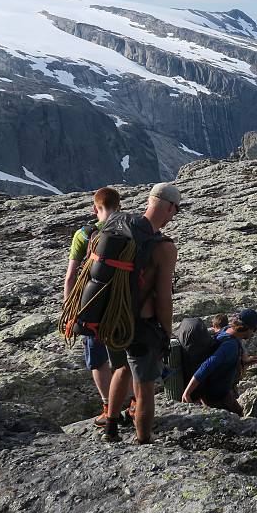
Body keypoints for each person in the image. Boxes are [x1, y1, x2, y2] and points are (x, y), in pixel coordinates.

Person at [102, 182, 181, 444]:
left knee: (121, 369)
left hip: (110, 320)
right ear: (170, 207)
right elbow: (163, 300)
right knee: (145, 385)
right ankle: (143, 441)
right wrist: (166, 334)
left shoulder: (118, 228)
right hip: (140, 325)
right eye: (175, 211)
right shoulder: (164, 248)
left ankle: (110, 427)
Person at [63, 186, 124, 427]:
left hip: (92, 304)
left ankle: (109, 408)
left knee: (97, 360)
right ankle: (130, 403)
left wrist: (70, 313)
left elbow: (70, 277)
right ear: (119, 208)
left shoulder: (83, 235)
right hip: (121, 305)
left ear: (94, 208)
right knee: (123, 358)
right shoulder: (128, 231)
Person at [181, 308, 257, 416]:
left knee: (239, 413)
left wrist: (244, 362)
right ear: (248, 328)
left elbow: (224, 360)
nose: (253, 333)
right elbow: (208, 365)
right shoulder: (231, 345)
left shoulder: (226, 329)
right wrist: (187, 393)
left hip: (216, 391)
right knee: (239, 418)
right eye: (254, 329)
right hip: (219, 397)